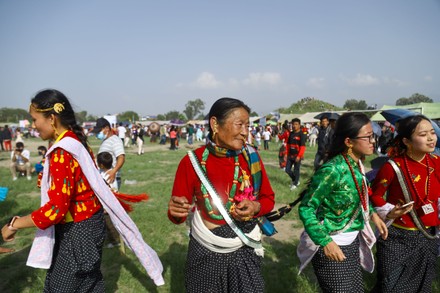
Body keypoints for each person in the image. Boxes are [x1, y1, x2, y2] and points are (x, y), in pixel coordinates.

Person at [1, 89, 164, 291]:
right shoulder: (75, 142)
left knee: (64, 287)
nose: (34, 127)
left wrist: (14, 223)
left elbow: (55, 210)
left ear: (51, 118)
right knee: (89, 283)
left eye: (35, 120)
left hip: (76, 232)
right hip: (89, 226)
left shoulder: (63, 152)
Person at [168, 97, 275, 292]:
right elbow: (177, 214)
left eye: (247, 125)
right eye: (239, 124)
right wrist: (175, 211)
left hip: (245, 248)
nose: (245, 132)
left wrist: (256, 206)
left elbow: (268, 199)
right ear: (215, 124)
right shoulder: (192, 162)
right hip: (206, 252)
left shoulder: (251, 157)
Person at [297, 112, 388, 292]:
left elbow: (360, 194)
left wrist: (373, 214)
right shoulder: (333, 170)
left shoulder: (356, 164)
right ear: (349, 142)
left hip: (352, 243)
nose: (373, 141)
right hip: (332, 245)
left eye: (373, 136)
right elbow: (306, 208)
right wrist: (325, 242)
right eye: (368, 137)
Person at [370, 114, 440, 293]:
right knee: (391, 286)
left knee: (421, 286)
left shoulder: (436, 163)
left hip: (427, 237)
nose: (431, 138)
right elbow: (374, 194)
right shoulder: (393, 166)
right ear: (407, 141)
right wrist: (389, 211)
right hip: (397, 238)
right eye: (423, 134)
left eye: (432, 132)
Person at [92, 117, 126, 190]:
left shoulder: (115, 140)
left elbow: (121, 157)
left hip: (111, 178)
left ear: (107, 128)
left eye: (99, 131)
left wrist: (114, 171)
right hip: (104, 176)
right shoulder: (106, 141)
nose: (98, 134)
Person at [285, 118, 306, 190]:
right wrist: (286, 154)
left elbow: (303, 147)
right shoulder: (291, 134)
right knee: (287, 170)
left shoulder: (302, 135)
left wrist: (299, 156)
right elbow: (288, 145)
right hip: (290, 156)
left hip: (297, 156)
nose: (294, 126)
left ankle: (295, 184)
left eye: (296, 124)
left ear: (299, 125)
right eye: (293, 124)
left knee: (296, 170)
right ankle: (295, 180)